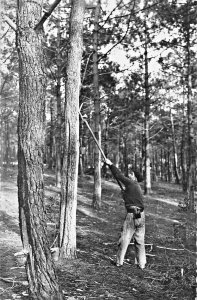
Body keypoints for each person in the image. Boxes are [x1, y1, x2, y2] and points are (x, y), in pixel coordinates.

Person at [105, 158, 146, 269]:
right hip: (141, 215)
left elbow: (119, 176)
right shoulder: (136, 187)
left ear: (135, 177)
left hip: (132, 215)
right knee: (140, 241)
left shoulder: (132, 183)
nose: (130, 176)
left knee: (125, 238)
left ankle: (119, 262)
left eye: (132, 174)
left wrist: (110, 164)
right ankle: (142, 264)